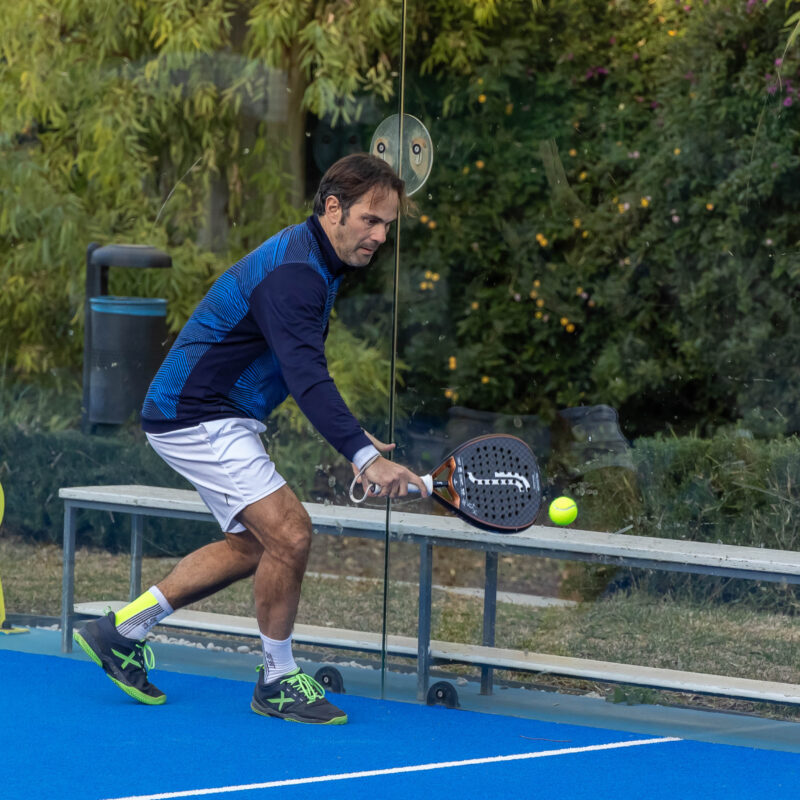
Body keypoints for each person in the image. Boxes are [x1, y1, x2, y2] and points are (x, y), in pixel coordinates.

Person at [74, 153, 428, 725]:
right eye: (370, 220)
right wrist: (364, 457)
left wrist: (350, 433)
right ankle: (278, 680)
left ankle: (121, 631)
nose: (380, 236)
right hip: (197, 413)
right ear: (333, 209)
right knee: (291, 532)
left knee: (257, 546)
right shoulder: (296, 273)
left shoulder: (315, 260)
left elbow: (298, 366)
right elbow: (306, 372)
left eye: (388, 224)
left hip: (212, 413)